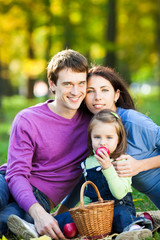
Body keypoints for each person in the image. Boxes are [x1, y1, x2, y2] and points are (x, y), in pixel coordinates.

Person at [6, 110, 153, 240]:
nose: (103, 143)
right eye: (97, 137)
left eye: (109, 137)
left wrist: (107, 167)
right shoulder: (89, 162)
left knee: (122, 215)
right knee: (67, 218)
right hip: (95, 213)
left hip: (118, 206)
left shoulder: (122, 160)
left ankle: (134, 231)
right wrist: (85, 213)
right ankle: (35, 229)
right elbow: (88, 190)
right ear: (90, 138)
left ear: (119, 139)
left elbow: (120, 193)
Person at [0, 49, 92, 238]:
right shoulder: (28, 119)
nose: (76, 92)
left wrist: (57, 211)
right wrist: (39, 214)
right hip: (9, 181)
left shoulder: (95, 125)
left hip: (41, 197)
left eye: (81, 83)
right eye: (67, 84)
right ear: (52, 84)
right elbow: (16, 173)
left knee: (6, 222)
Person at [85, 65, 160, 210]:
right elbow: (89, 175)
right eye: (90, 91)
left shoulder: (132, 121)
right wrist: (61, 213)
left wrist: (140, 165)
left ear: (116, 95)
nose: (98, 97)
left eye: (105, 90)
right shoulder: (94, 131)